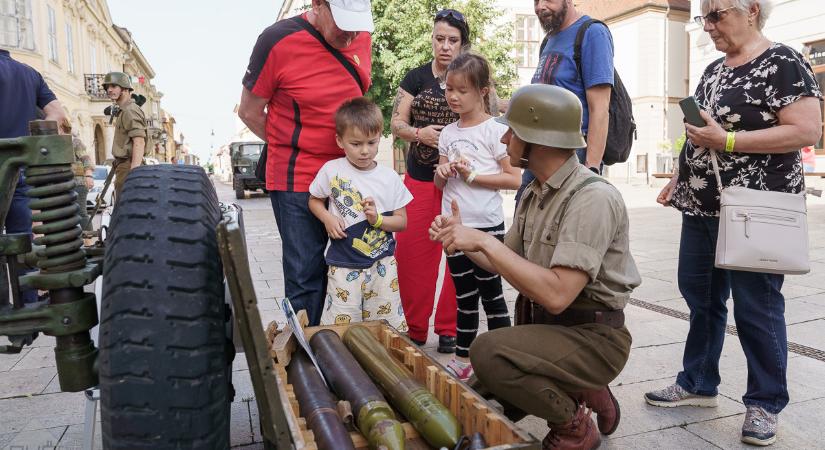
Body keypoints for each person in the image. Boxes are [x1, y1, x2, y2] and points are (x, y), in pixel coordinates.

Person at [648, 1, 823, 446]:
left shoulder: (784, 62)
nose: (707, 25)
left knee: (756, 307)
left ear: (752, 11)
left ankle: (765, 402)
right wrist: (678, 178)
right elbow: (699, 134)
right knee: (700, 298)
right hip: (703, 205)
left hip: (756, 209)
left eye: (716, 14)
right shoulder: (713, 70)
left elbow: (806, 130)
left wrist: (728, 139)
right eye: (704, 16)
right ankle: (699, 382)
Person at [431, 84, 640, 449]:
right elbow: (501, 259)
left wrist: (480, 240)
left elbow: (558, 295)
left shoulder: (592, 197)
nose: (505, 138)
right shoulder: (536, 190)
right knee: (477, 399)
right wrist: (461, 238)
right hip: (550, 329)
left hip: (593, 338)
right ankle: (577, 382)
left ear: (537, 139)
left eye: (512, 130)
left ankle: (574, 426)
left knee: (488, 353)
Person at [239, 0, 373, 326]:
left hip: (347, 174)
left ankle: (344, 349)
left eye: (357, 23)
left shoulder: (361, 36)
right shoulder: (277, 40)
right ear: (317, 5)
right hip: (296, 176)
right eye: (343, 22)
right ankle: (307, 357)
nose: (351, 33)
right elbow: (249, 112)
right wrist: (293, 143)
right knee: (306, 271)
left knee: (356, 264)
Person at [433, 53, 520, 380]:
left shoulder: (495, 129)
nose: (453, 96)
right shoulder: (447, 133)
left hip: (485, 229)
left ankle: (504, 359)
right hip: (453, 228)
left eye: (462, 90)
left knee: (492, 296)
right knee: (464, 297)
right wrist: (442, 172)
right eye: (449, 89)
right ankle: (462, 356)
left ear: (483, 91)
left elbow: (513, 179)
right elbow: (438, 183)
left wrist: (473, 177)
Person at [390, 9, 470, 352]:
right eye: (440, 39)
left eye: (453, 40)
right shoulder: (415, 77)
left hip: (460, 184)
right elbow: (395, 123)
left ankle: (449, 328)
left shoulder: (472, 75)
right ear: (432, 39)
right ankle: (416, 326)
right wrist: (419, 134)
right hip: (420, 180)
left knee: (458, 254)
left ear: (462, 44)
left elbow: (489, 114)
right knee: (412, 256)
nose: (445, 46)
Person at [308, 98, 412, 329]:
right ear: (340, 141)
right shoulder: (331, 170)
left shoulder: (390, 178)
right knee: (341, 327)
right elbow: (314, 200)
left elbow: (402, 222)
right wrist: (327, 218)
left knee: (385, 326)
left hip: (382, 267)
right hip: (343, 264)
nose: (365, 151)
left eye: (371, 142)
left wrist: (378, 220)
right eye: (356, 144)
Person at [516, 0, 614, 202]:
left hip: (572, 156)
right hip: (538, 155)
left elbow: (600, 109)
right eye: (535, 1)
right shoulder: (549, 40)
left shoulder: (593, 33)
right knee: (525, 224)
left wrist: (591, 172)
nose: (540, 6)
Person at [1, 48, 68, 304]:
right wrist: (29, 141)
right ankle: (27, 301)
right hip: (17, 169)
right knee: (22, 241)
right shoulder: (30, 73)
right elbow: (58, 115)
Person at [104, 71, 147, 202]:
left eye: (113, 86)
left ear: (125, 88)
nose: (109, 90)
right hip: (124, 166)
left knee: (126, 208)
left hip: (129, 166)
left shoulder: (130, 110)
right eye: (107, 87)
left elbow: (139, 141)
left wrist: (134, 172)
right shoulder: (124, 110)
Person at [71, 132, 94, 231]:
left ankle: (89, 241)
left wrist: (89, 175)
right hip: (65, 184)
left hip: (79, 183)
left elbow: (86, 159)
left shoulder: (75, 142)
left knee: (81, 213)